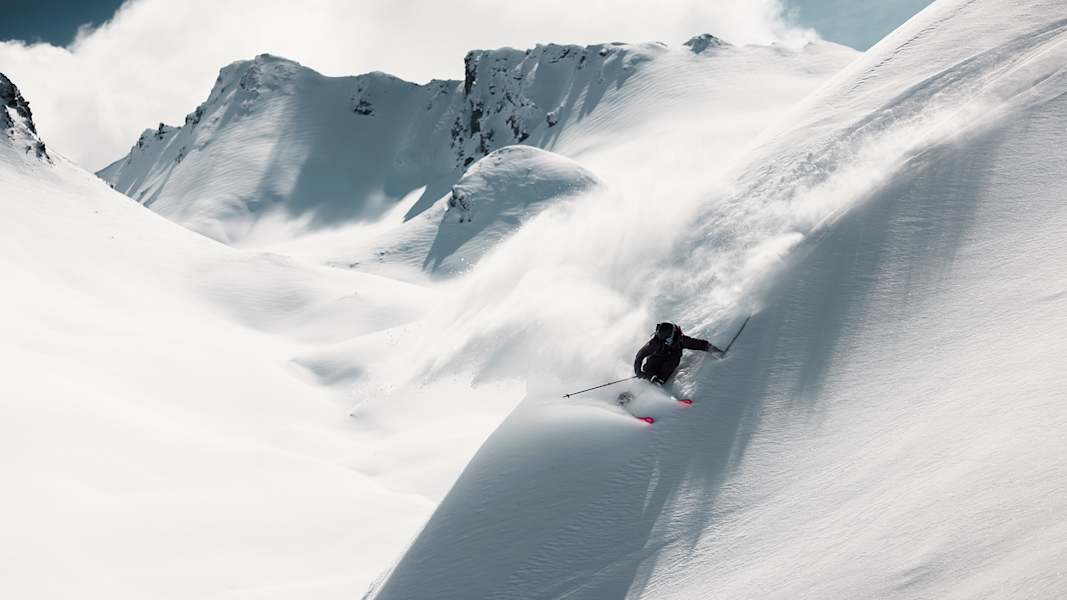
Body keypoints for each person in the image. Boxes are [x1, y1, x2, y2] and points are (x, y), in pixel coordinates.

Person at [634, 322, 721, 384]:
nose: (666, 342)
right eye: (663, 340)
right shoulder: (655, 343)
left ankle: (660, 380)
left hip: (671, 359)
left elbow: (700, 344)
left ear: (673, 334)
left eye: (668, 340)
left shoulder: (681, 340)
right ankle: (648, 380)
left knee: (673, 359)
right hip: (656, 358)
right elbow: (640, 355)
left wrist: (715, 351)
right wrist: (638, 371)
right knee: (651, 366)